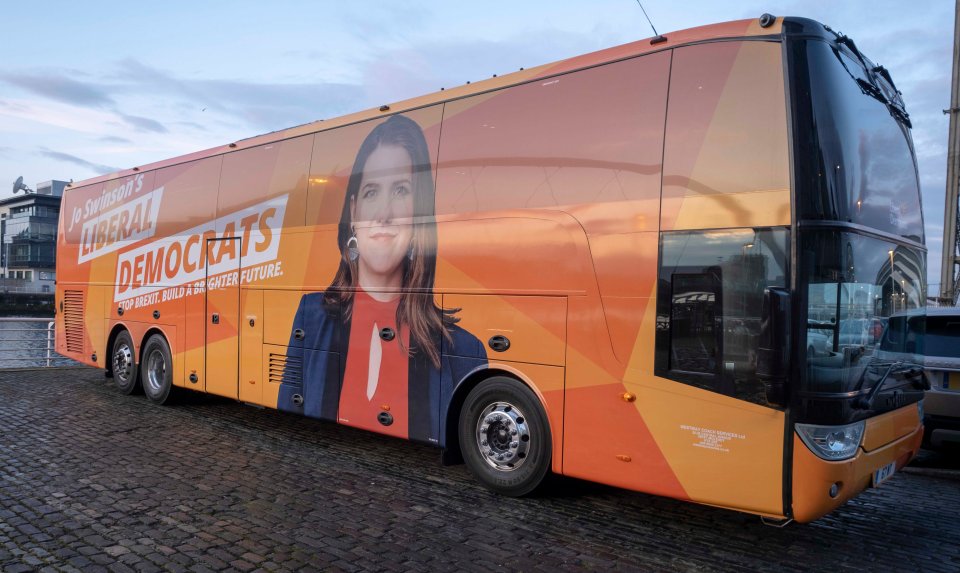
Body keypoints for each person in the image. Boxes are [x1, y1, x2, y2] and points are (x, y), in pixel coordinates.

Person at [278, 115, 485, 445]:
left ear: (419, 214)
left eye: (401, 190)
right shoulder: (311, 316)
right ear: (355, 212)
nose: (384, 213)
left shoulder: (464, 349)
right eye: (372, 192)